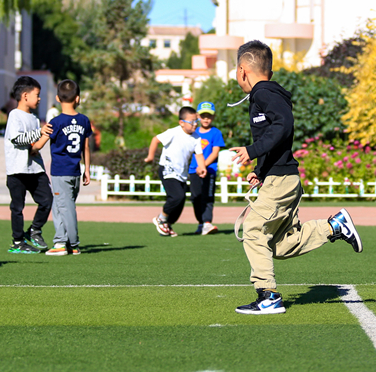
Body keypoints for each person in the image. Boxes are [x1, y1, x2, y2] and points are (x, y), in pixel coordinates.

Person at [228, 40, 362, 315]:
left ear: (242, 70)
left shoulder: (263, 93)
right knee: (280, 243)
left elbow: (283, 125)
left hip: (282, 182)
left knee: (253, 231)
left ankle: (268, 296)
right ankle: (334, 227)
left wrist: (252, 151)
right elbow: (277, 136)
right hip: (282, 178)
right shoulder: (267, 92)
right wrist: (261, 170)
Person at [4, 76, 54, 254]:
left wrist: (43, 137)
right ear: (25, 95)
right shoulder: (15, 115)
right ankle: (17, 242)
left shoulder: (33, 118)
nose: (39, 98)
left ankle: (34, 230)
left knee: (47, 200)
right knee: (17, 207)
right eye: (37, 95)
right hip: (17, 170)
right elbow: (17, 139)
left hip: (35, 168)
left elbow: (33, 144)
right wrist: (39, 132)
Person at [144, 106, 207, 237]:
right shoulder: (173, 132)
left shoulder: (196, 138)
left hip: (182, 173)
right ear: (181, 123)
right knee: (177, 196)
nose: (195, 124)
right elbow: (155, 140)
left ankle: (167, 224)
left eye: (196, 121)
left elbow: (199, 155)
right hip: (167, 169)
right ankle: (161, 218)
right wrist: (150, 157)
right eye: (192, 122)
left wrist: (202, 167)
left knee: (180, 201)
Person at [45, 79, 92, 256]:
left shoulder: (56, 122)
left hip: (60, 171)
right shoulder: (84, 120)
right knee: (59, 206)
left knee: (65, 208)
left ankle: (72, 243)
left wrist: (32, 148)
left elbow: (40, 143)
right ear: (77, 98)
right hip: (75, 171)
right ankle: (60, 241)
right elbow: (86, 147)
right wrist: (87, 169)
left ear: (57, 98)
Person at [189, 101, 225, 235]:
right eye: (203, 115)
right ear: (198, 116)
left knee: (208, 197)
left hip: (209, 170)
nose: (206, 119)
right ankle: (201, 223)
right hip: (194, 170)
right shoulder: (193, 132)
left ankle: (207, 222)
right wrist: (198, 167)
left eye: (209, 116)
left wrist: (203, 166)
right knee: (195, 197)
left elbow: (215, 152)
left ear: (213, 117)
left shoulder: (216, 133)